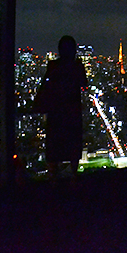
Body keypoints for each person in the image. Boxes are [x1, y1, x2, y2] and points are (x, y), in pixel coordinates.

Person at [41, 35, 88, 180]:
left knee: (54, 145)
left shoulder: (53, 66)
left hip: (56, 111)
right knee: (73, 144)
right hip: (72, 111)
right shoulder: (76, 67)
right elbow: (84, 84)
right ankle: (73, 177)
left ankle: (53, 178)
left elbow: (46, 85)